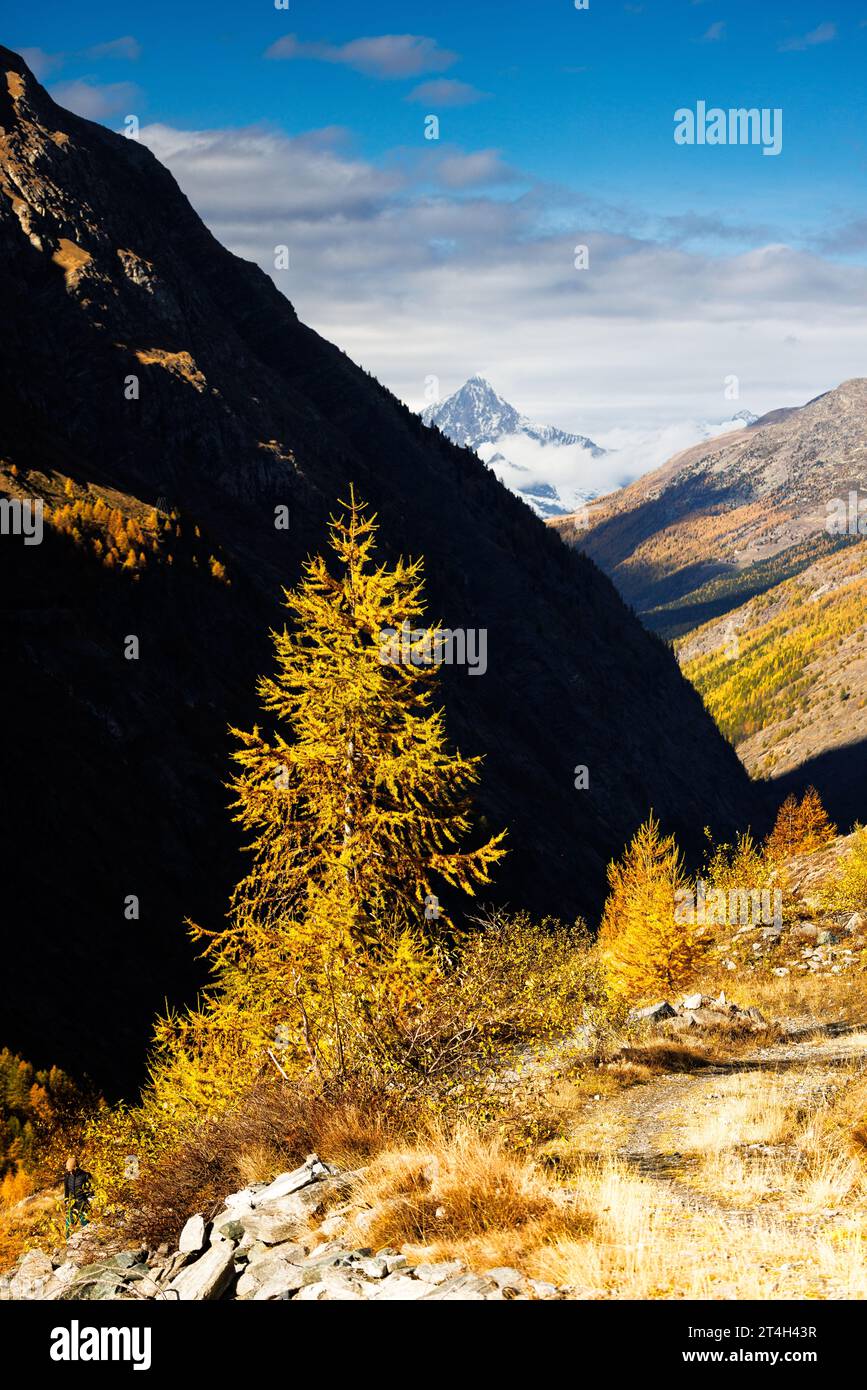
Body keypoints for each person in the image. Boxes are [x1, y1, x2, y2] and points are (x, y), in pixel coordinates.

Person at [63, 1155, 92, 1235]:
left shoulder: (86, 1175)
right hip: (72, 1206)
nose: (70, 1172)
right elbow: (66, 1191)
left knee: (87, 1228)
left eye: (72, 1170)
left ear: (76, 1167)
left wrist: (89, 1200)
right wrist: (66, 1201)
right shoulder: (67, 1176)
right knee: (68, 1228)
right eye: (69, 1170)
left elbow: (91, 1191)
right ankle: (68, 1244)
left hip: (83, 1205)